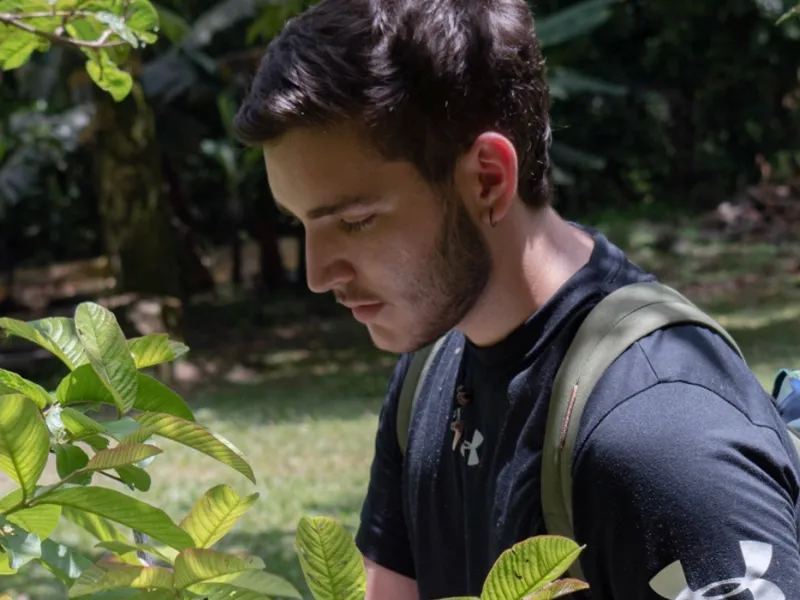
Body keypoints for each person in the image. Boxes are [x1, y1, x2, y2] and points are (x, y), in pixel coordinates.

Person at [233, 0, 800, 597]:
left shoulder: (661, 438)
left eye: (355, 221)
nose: (317, 274)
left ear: (487, 180)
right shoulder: (430, 371)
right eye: (301, 224)